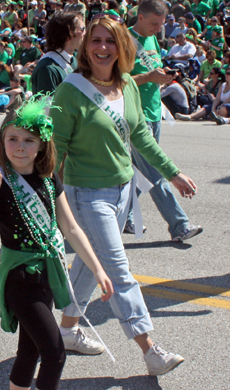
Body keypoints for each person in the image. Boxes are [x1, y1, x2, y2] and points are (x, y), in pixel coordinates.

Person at [52, 14, 194, 375]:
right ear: (86, 47)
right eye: (95, 41)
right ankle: (150, 349)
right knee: (117, 269)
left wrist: (172, 173)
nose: (102, 48)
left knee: (89, 262)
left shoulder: (127, 84)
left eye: (110, 41)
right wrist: (50, 198)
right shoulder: (71, 90)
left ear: (122, 47)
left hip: (122, 190)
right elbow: (55, 150)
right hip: (86, 193)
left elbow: (142, 137)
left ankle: (66, 330)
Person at [0, 97, 113, 390]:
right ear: (2, 141)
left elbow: (70, 227)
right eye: (13, 139)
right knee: (55, 354)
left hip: (46, 274)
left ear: (42, 144)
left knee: (29, 350)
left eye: (29, 140)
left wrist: (98, 270)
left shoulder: (49, 180)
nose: (20, 146)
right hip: (19, 279)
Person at [127, 0, 202, 241]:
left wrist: (162, 77)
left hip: (153, 111)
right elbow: (119, 80)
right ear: (140, 17)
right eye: (153, 23)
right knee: (155, 172)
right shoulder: (125, 40)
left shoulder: (152, 39)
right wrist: (148, 76)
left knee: (141, 173)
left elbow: (153, 72)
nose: (158, 28)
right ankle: (179, 225)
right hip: (136, 116)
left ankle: (124, 217)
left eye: (161, 24)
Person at [31, 12, 85, 95]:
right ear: (69, 33)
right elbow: (48, 107)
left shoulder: (73, 60)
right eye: (82, 29)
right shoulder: (47, 68)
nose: (85, 33)